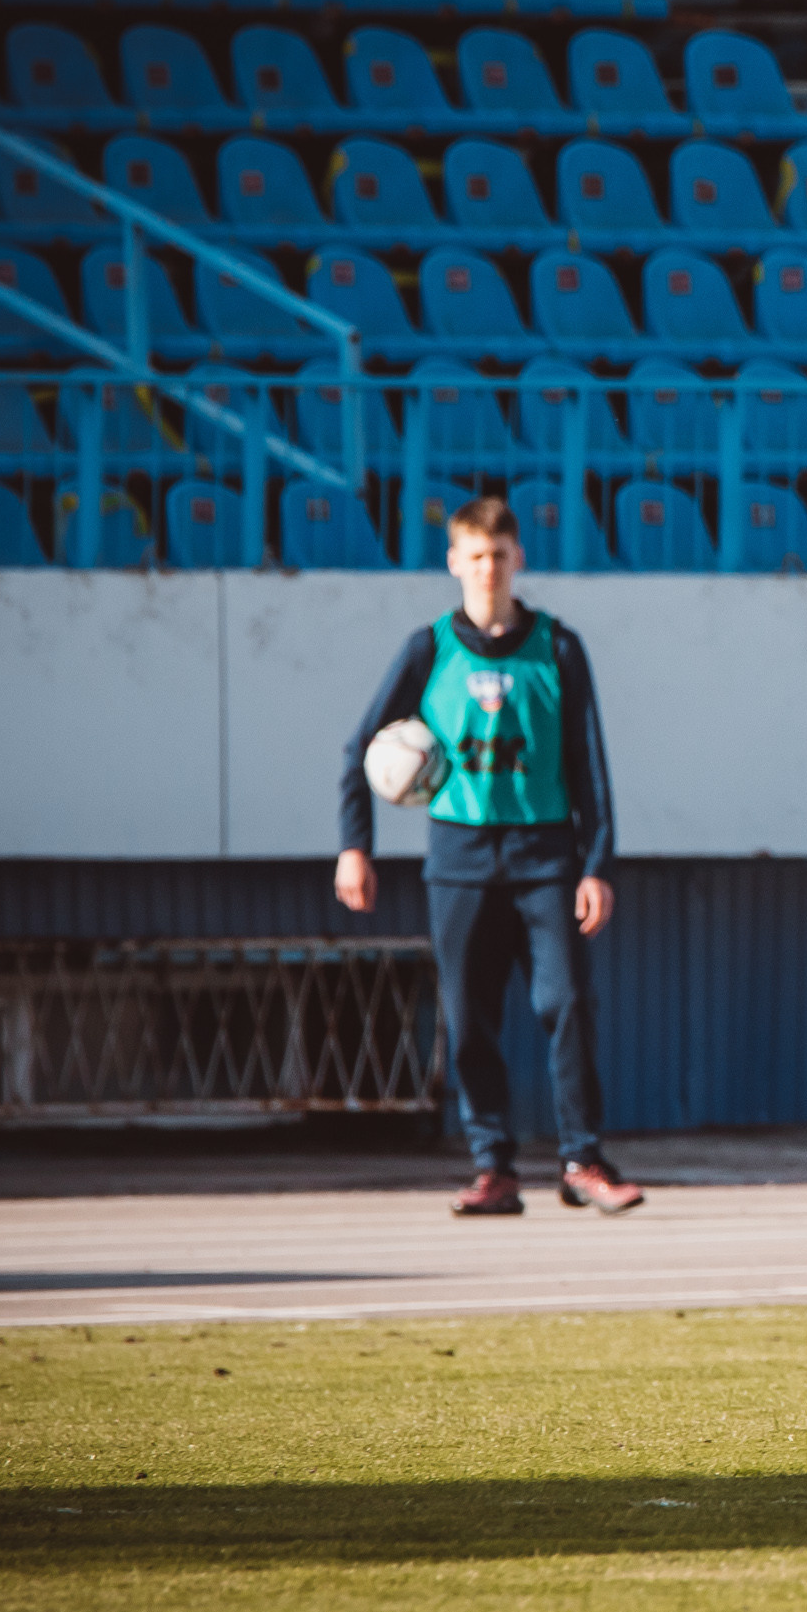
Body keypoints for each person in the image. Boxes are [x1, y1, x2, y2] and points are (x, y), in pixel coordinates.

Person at [335, 496, 639, 1219]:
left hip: (545, 855)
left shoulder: (558, 647)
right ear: (454, 562)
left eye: (499, 555)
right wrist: (355, 845)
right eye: (474, 556)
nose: (488, 568)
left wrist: (597, 862)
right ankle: (493, 1167)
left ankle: (582, 1159)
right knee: (468, 1018)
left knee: (565, 1002)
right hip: (461, 854)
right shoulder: (429, 646)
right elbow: (358, 748)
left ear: (518, 559)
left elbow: (588, 766)